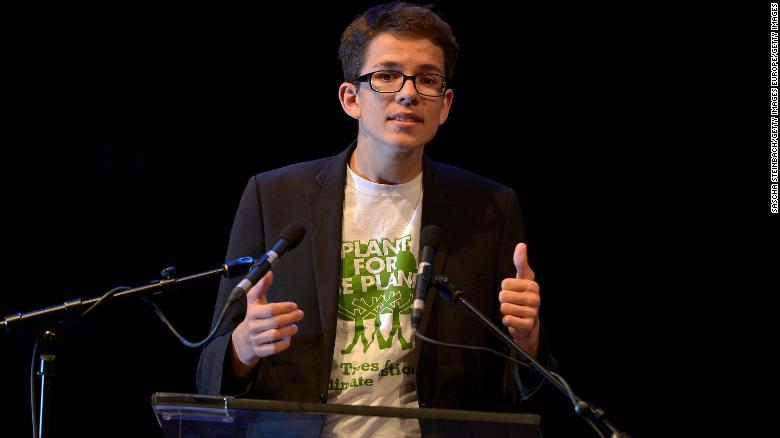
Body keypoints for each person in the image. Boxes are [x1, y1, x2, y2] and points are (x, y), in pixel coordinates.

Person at [197, 2, 548, 436]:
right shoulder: (274, 197)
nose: (408, 93)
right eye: (386, 75)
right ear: (351, 99)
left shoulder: (490, 208)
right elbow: (209, 370)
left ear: (445, 104)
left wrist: (527, 341)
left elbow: (516, 390)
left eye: (427, 79)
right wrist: (242, 347)